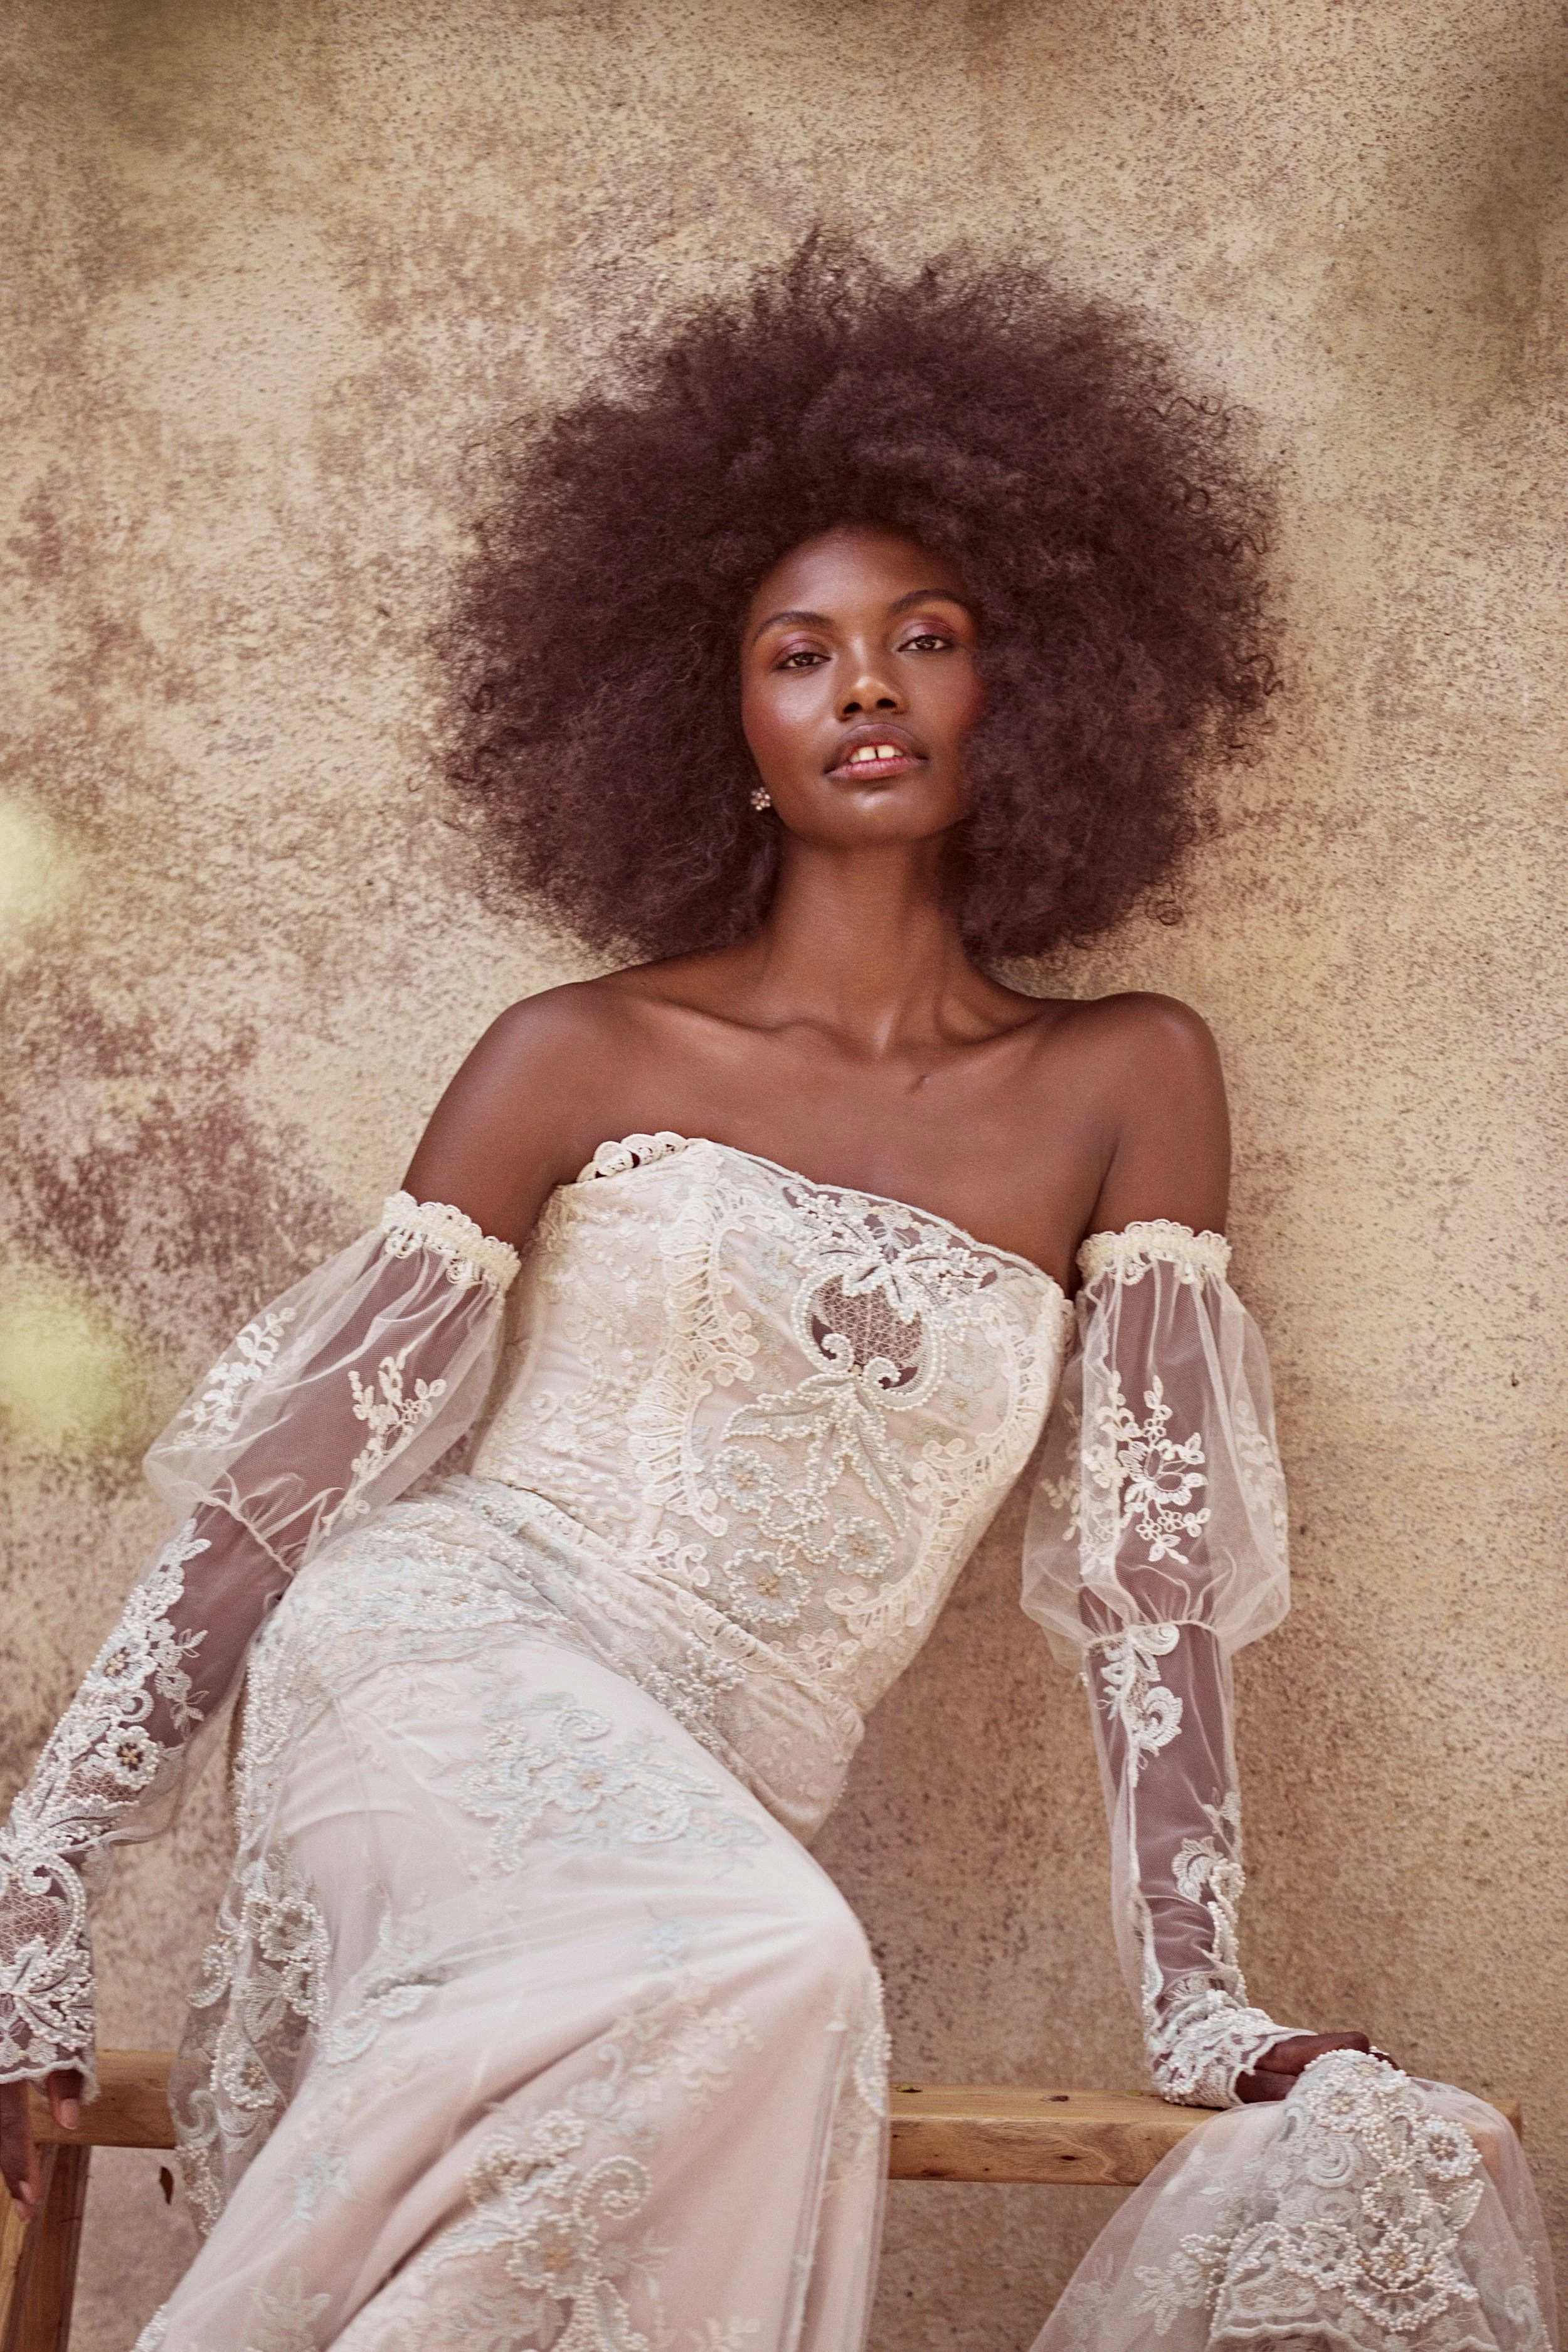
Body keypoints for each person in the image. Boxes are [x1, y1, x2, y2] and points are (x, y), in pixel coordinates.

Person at [0, 244, 1552, 2352]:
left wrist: (1200, 1994)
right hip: (448, 1654)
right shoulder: (579, 1049)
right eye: (796, 650)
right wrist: (38, 1866)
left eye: (926, 636)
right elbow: (286, 1486)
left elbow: (1147, 1586)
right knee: (783, 1971)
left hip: (720, 1789)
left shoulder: (1124, 1078)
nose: (864, 687)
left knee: (738, 2006)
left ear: (1033, 688)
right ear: (717, 718)